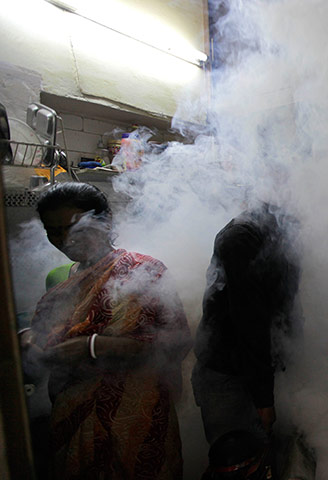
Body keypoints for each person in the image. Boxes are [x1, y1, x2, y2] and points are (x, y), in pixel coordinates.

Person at [19, 182, 192, 479]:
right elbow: (41, 332)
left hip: (138, 420)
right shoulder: (58, 281)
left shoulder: (143, 270)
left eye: (74, 227)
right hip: (72, 421)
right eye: (53, 231)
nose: (64, 239)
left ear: (105, 221)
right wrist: (28, 338)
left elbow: (177, 343)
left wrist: (94, 347)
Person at [192, 202, 300, 463]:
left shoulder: (286, 231)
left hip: (262, 371)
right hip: (229, 376)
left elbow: (286, 307)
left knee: (270, 461)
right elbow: (250, 321)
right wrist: (264, 400)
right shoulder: (242, 238)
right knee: (239, 464)